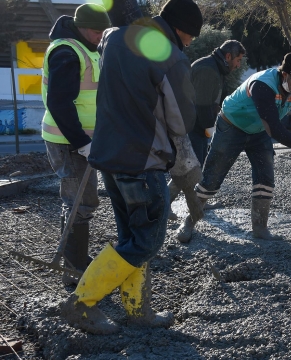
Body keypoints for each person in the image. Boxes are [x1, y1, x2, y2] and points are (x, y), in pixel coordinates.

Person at [60, 0, 202, 334]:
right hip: (143, 160)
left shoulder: (113, 39)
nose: (191, 43)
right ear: (182, 29)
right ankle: (80, 303)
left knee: (131, 237)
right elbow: (181, 122)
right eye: (192, 36)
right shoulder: (169, 56)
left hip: (109, 156)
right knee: (146, 241)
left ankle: (138, 311)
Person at [176, 50, 291, 243]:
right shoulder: (262, 85)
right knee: (211, 179)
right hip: (232, 125)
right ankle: (189, 221)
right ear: (285, 75)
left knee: (265, 178)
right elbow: (274, 128)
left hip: (259, 131)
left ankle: (260, 228)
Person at [40, 4, 111, 285]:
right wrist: (81, 142)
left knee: (78, 202)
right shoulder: (66, 51)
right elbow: (59, 102)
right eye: (97, 32)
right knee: (80, 202)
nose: (100, 37)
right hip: (67, 141)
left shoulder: (87, 49)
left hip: (79, 140)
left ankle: (75, 260)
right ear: (82, 27)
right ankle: (73, 270)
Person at [168, 40, 246, 215]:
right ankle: (165, 205)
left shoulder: (213, 67)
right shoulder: (208, 69)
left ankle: (195, 204)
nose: (238, 65)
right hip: (192, 128)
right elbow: (202, 107)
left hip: (195, 127)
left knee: (193, 168)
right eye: (238, 60)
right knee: (188, 169)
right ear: (228, 56)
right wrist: (211, 131)